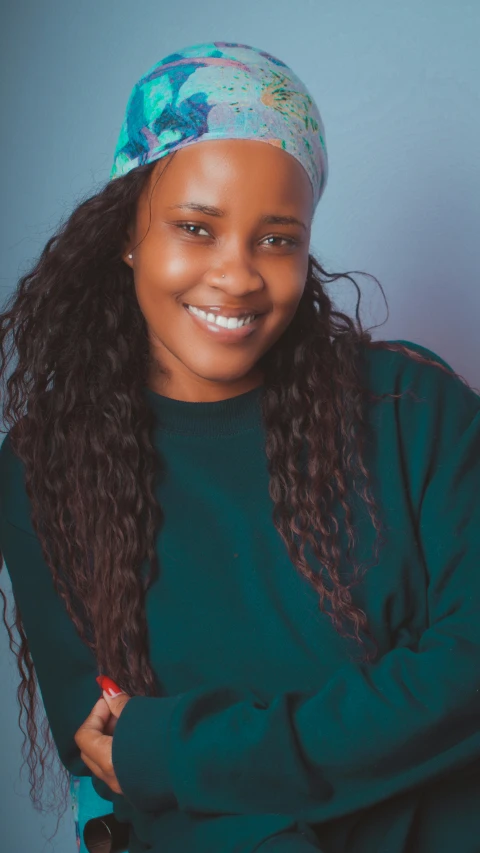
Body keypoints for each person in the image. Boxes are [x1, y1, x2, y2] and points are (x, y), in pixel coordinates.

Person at [1, 40, 480, 853]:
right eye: (196, 227)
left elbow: (470, 681)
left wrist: (180, 749)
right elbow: (112, 764)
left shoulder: (417, 411)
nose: (237, 276)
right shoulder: (44, 471)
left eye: (278, 239)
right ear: (127, 233)